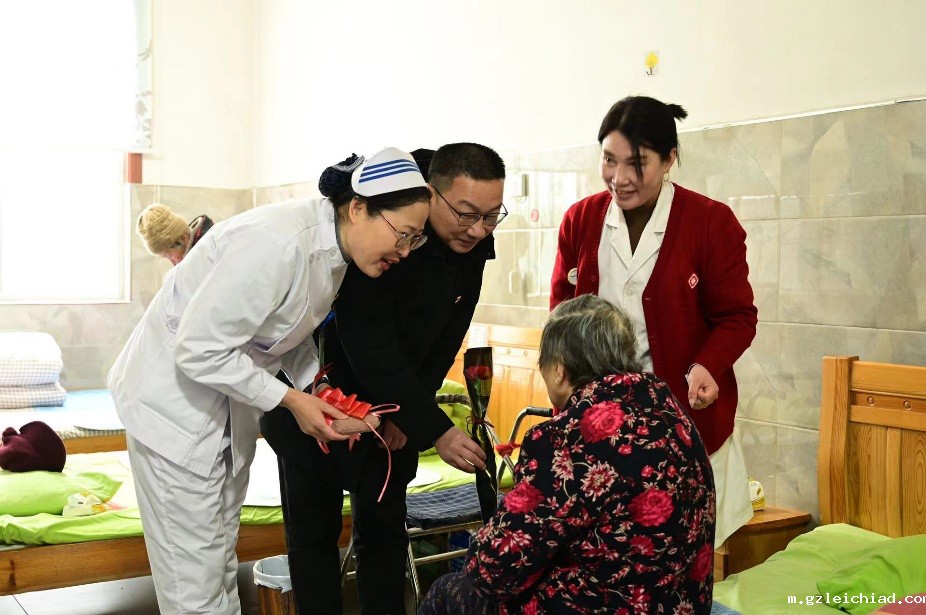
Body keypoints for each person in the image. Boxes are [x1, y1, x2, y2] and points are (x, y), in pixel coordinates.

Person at [107, 147, 432, 615]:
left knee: (218, 568)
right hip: (172, 414)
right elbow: (198, 348)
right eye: (402, 235)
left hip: (220, 413)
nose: (403, 252)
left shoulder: (334, 254)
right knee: (193, 591)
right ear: (359, 208)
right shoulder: (276, 244)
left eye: (415, 241)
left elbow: (281, 333)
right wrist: (292, 401)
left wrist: (316, 388)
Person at [260, 142, 506, 615]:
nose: (478, 229)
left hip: (396, 413)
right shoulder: (387, 226)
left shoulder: (473, 242)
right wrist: (435, 427)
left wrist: (409, 416)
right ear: (431, 193)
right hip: (320, 396)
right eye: (466, 214)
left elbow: (446, 339)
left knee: (385, 539)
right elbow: (367, 343)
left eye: (491, 216)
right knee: (313, 540)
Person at [419, 294, 716, 615]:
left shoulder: (566, 437)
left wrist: (481, 549)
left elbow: (494, 572)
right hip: (682, 605)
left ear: (559, 370)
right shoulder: (671, 412)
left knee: (446, 591)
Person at [550, 95, 758, 547]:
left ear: (669, 160)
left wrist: (706, 365)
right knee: (608, 557)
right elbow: (560, 321)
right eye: (609, 160)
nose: (620, 178)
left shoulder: (710, 222)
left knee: (685, 555)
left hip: (684, 422)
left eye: (637, 163)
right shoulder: (580, 220)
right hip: (600, 426)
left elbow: (737, 316)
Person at [136, 202, 215, 265]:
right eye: (166, 257)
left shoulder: (211, 253)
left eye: (170, 255)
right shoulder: (195, 257)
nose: (172, 261)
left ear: (183, 239)